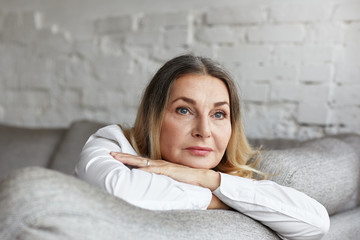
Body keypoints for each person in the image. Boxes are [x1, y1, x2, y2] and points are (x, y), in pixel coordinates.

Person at [75, 55, 330, 239]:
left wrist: (205, 178)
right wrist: (222, 200)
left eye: (218, 114)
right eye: (184, 110)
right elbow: (123, 194)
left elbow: (316, 222)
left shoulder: (223, 176)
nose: (204, 131)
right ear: (154, 116)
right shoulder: (110, 144)